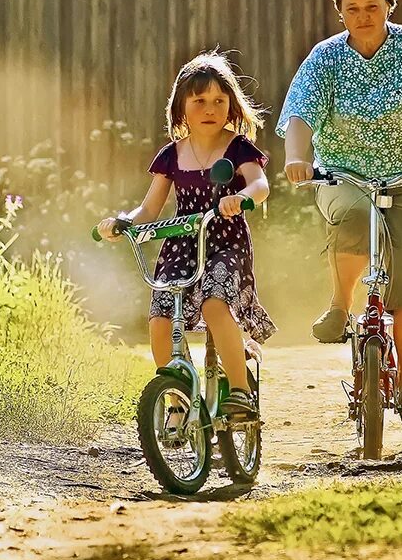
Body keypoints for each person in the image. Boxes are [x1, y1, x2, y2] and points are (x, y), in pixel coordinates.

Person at [277, 0, 402, 425]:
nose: (363, 16)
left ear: (388, 7)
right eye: (352, 8)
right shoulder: (326, 57)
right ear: (341, 13)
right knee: (355, 218)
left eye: (371, 6)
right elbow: (299, 114)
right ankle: (340, 305)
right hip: (344, 175)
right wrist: (298, 158)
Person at [97, 52, 275, 416]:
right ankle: (176, 398)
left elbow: (260, 184)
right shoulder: (171, 155)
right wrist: (122, 222)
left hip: (225, 242)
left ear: (231, 106)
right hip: (182, 247)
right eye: (199, 101)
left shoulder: (237, 147)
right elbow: (148, 209)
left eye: (219, 101)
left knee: (214, 304)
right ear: (181, 107)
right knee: (161, 321)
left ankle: (239, 392)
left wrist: (240, 198)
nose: (210, 108)